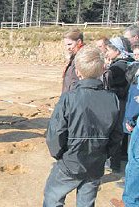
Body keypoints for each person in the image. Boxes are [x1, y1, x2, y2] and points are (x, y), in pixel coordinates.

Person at [43, 46, 122, 207]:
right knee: (86, 202)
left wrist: (60, 155)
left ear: (78, 72)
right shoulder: (113, 99)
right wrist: (104, 155)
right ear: (102, 71)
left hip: (72, 163)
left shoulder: (68, 99)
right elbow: (117, 135)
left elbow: (55, 134)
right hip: (93, 163)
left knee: (52, 197)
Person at [103, 37, 135, 172]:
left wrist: (106, 70)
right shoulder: (130, 63)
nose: (107, 53)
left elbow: (109, 86)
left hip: (117, 104)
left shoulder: (117, 67)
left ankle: (113, 163)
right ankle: (120, 158)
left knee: (114, 132)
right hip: (125, 103)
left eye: (109, 50)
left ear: (118, 51)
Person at [62, 28, 84, 94]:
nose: (67, 48)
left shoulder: (83, 58)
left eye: (69, 44)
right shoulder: (74, 57)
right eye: (66, 45)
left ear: (79, 42)